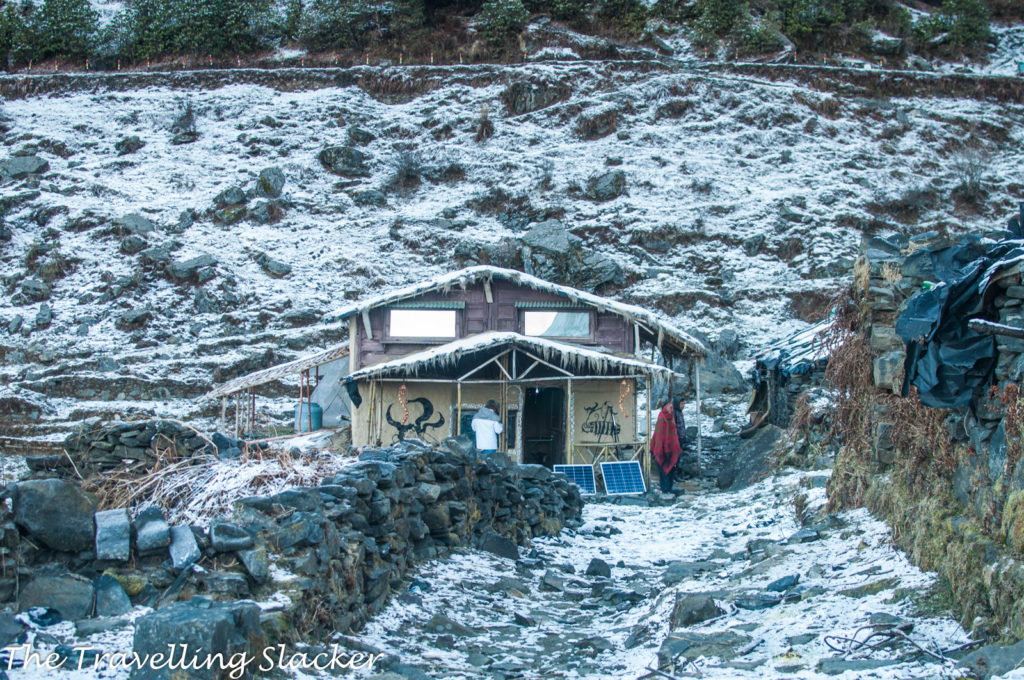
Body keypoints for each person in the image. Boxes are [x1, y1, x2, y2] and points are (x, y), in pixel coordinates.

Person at [650, 399, 681, 493]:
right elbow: (660, 434)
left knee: (667, 470)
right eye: (669, 408)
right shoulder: (664, 418)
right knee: (666, 470)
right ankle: (666, 488)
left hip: (668, 448)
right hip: (665, 449)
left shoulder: (669, 418)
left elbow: (658, 434)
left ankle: (666, 488)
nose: (671, 410)